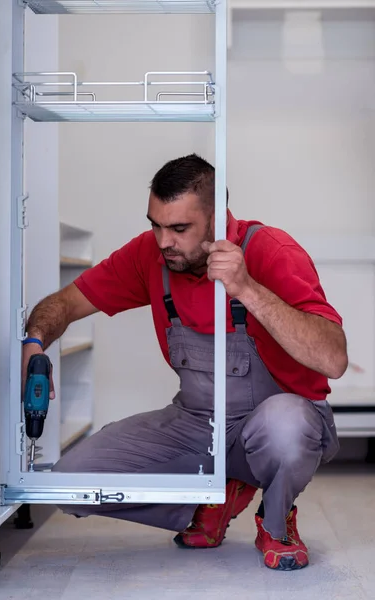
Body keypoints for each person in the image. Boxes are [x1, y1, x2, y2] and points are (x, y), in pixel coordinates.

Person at [22, 153, 348, 572]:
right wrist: (35, 341)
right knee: (71, 483)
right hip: (197, 423)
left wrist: (245, 287)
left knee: (287, 426)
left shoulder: (270, 250)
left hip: (274, 423)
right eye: (155, 225)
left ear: (216, 220)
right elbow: (65, 303)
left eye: (178, 228)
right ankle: (206, 507)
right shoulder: (152, 257)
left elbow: (333, 358)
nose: (163, 241)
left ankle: (276, 521)